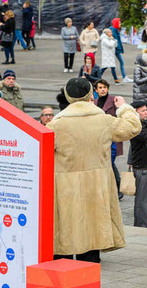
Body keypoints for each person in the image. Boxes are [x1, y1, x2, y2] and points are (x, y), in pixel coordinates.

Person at [48, 78, 140, 262]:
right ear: (91, 95)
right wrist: (124, 107)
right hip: (96, 188)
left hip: (66, 189)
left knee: (66, 234)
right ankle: (87, 282)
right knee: (91, 239)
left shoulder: (56, 125)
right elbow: (133, 127)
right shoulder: (103, 120)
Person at [127, 101, 147, 228]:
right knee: (143, 202)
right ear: (135, 112)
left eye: (146, 110)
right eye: (143, 111)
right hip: (142, 167)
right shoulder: (136, 126)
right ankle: (141, 227)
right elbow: (146, 135)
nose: (146, 112)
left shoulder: (144, 124)